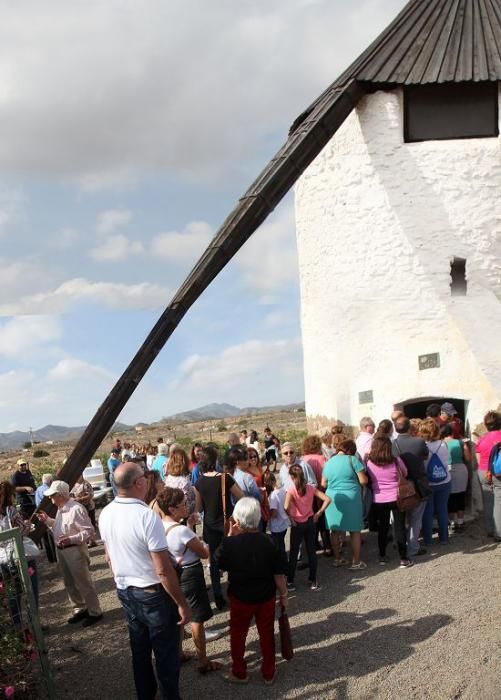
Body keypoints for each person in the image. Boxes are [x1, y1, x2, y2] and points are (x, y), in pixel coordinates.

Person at [99, 462, 190, 700]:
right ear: (139, 483)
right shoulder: (146, 517)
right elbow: (162, 570)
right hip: (152, 594)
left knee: (139, 651)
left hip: (126, 590)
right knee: (165, 654)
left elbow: (109, 557)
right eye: (145, 477)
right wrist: (181, 602)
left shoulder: (106, 513)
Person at [214, 498, 288, 685]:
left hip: (240, 595)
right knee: (267, 632)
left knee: (238, 633)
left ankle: (239, 671)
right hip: (266, 595)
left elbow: (218, 563)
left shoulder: (230, 544)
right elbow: (278, 574)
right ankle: (269, 672)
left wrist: (229, 536)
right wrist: (284, 595)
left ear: (237, 520)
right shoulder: (271, 541)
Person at [156, 487, 222, 675]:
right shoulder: (182, 532)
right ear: (172, 509)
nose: (187, 507)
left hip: (174, 573)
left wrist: (190, 527)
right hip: (191, 574)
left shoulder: (161, 526)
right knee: (196, 617)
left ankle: (178, 653)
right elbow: (203, 553)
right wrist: (202, 543)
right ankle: (203, 660)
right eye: (183, 504)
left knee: (179, 614)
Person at [37, 480, 103, 625]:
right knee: (70, 583)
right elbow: (59, 526)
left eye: (52, 495)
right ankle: (80, 608)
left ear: (60, 495)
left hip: (74, 550)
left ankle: (94, 611)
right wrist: (47, 520)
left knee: (83, 582)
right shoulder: (62, 508)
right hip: (63, 550)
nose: (50, 498)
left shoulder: (76, 509)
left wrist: (71, 539)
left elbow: (89, 531)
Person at [194, 446, 243, 609]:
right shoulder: (225, 478)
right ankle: (235, 592)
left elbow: (199, 508)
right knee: (233, 559)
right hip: (227, 524)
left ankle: (218, 596)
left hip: (209, 526)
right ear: (215, 460)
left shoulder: (199, 481)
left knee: (214, 562)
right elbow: (241, 497)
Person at [366, 436, 414, 568]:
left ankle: (382, 556)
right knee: (399, 527)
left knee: (383, 527)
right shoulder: (396, 461)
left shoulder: (369, 462)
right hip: (396, 496)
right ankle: (403, 558)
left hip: (379, 498)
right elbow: (404, 473)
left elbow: (369, 478)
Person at [321, 439, 368, 569]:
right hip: (351, 497)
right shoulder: (352, 460)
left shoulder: (329, 462)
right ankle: (356, 561)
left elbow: (323, 483)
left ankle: (337, 559)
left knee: (334, 531)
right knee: (354, 531)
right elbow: (363, 480)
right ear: (351, 450)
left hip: (332, 497)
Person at [284, 465, 330, 591]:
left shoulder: (291, 490)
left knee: (293, 553)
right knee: (311, 552)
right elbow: (327, 499)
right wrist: (318, 513)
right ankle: (313, 580)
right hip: (310, 521)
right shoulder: (310, 488)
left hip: (297, 524)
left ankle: (290, 581)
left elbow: (285, 506)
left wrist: (291, 519)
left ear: (291, 477)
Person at [0, 481, 40, 624]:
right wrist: (28, 526)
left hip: (3, 559)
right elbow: (22, 531)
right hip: (19, 555)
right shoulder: (11, 511)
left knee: (13, 593)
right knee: (30, 590)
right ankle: (33, 623)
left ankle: (17, 626)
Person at [393, 416, 430, 558]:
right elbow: (425, 456)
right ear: (409, 428)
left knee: (401, 518)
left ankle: (401, 544)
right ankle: (413, 547)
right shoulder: (419, 441)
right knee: (416, 518)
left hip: (400, 485)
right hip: (418, 483)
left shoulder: (393, 444)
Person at [418, 418, 451, 546]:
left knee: (428, 511)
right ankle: (444, 538)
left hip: (428, 483)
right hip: (444, 480)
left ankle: (428, 540)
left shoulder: (422, 447)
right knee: (443, 509)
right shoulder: (444, 444)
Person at [474, 410, 501, 540]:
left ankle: (490, 529)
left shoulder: (482, 439)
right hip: (498, 471)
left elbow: (478, 458)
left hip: (484, 471)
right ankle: (499, 532)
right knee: (499, 501)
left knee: (488, 500)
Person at [302, 435, 330, 553]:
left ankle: (314, 544)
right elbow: (327, 475)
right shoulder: (322, 459)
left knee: (311, 519)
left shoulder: (303, 459)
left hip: (307, 494)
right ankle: (327, 546)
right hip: (321, 492)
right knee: (322, 519)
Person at [441, 424, 470, 532]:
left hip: (446, 470)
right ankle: (461, 522)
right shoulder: (461, 442)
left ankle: (451, 523)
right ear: (452, 433)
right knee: (461, 496)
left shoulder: (440, 444)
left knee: (449, 497)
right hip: (461, 469)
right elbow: (467, 458)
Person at [263, 471, 289, 562]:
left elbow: (274, 513)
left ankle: (283, 567)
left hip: (277, 526)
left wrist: (267, 515)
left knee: (279, 548)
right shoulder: (282, 490)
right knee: (282, 545)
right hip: (284, 523)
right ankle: (285, 563)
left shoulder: (273, 495)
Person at [164, 448, 196, 521]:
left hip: (171, 517)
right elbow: (187, 507)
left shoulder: (169, 478)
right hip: (183, 519)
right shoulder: (184, 481)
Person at [71, 474, 97, 547]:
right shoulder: (73, 485)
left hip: (88, 506)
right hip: (79, 507)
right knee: (83, 524)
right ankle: (87, 540)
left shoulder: (86, 484)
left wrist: (80, 499)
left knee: (91, 523)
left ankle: (92, 540)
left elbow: (91, 495)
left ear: (81, 476)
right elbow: (71, 494)